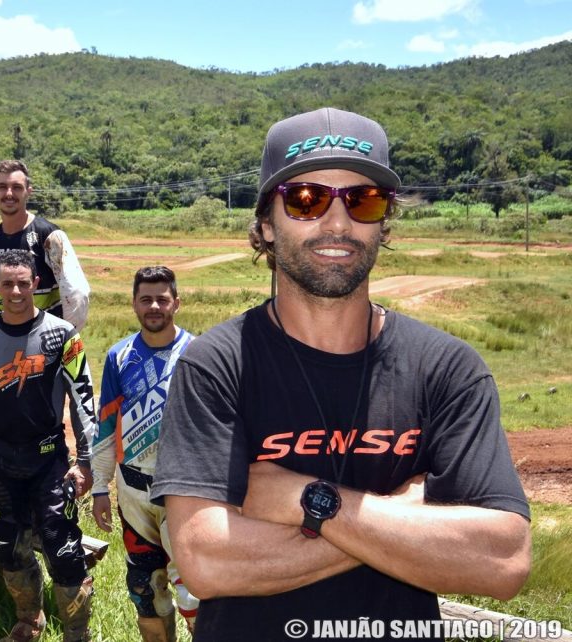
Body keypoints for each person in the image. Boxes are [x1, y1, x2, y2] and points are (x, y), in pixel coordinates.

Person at [150, 108, 532, 641]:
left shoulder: (448, 370)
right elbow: (207, 563)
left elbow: (503, 559)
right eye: (305, 200)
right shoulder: (216, 367)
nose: (336, 224)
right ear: (265, 222)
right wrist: (403, 519)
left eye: (363, 200)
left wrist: (306, 501)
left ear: (384, 221)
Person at [0, 251, 97, 642]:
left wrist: (85, 462)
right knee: (8, 546)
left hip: (49, 461)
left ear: (36, 284)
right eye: (7, 284)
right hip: (2, 462)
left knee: (64, 548)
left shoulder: (63, 335)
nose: (16, 291)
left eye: (24, 283)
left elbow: (84, 400)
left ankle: (77, 633)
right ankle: (28, 622)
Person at [91, 266, 198, 641]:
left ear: (177, 303)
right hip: (133, 492)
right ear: (134, 304)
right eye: (146, 299)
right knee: (144, 587)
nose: (154, 306)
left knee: (195, 588)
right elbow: (106, 427)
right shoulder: (118, 357)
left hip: (183, 491)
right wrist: (101, 488)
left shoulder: (198, 353)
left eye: (162, 299)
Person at [0, 159, 89, 331]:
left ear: (28, 191)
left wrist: (64, 336)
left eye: (16, 187)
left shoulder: (50, 236)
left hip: (44, 340)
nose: (9, 193)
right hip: (3, 340)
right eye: (2, 187)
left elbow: (76, 293)